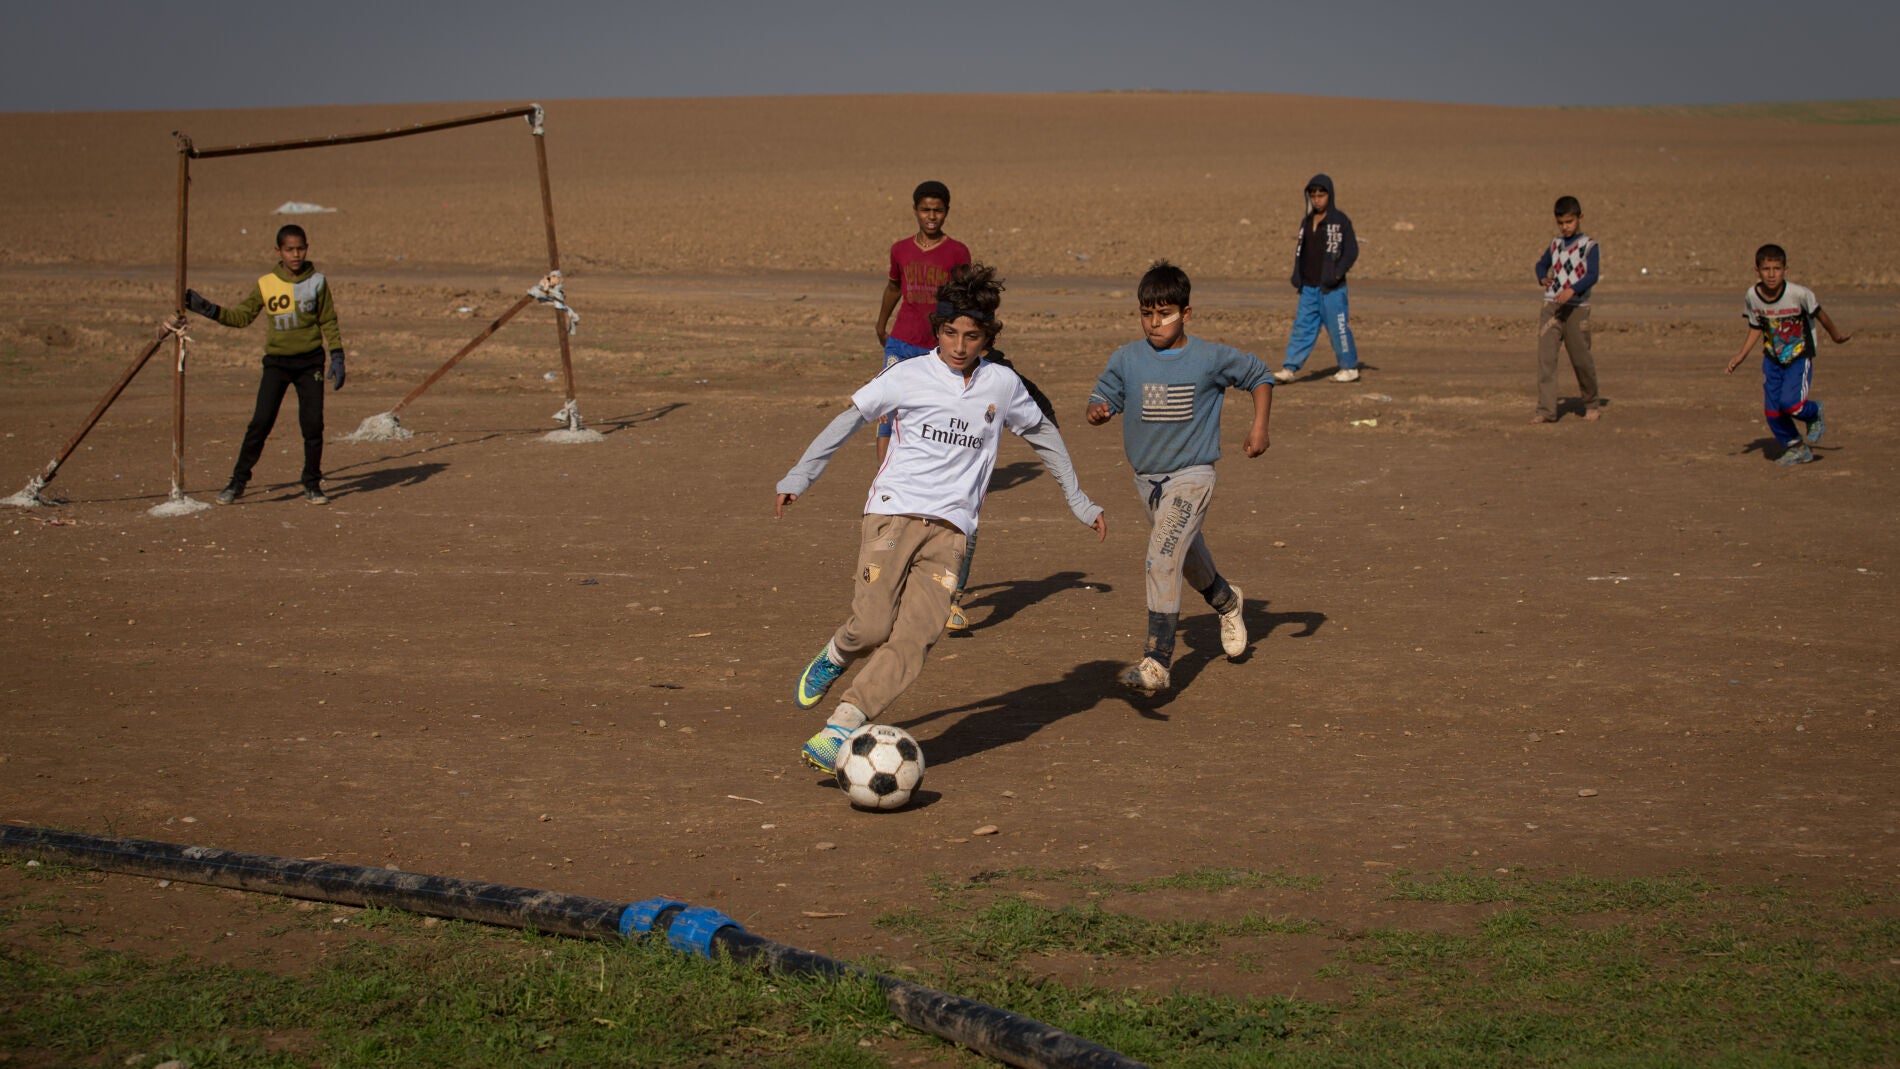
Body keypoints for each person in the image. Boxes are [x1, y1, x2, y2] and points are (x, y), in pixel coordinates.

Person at [778, 264, 1107, 772]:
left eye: (971, 336)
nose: (959, 345)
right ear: (937, 331)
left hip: (952, 532)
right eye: (950, 333)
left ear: (987, 338)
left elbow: (1044, 434)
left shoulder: (1002, 384)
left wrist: (1079, 500)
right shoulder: (907, 375)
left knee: (915, 639)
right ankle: (838, 655)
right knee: (871, 627)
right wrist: (800, 477)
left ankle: (842, 722)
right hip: (893, 515)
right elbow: (847, 420)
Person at [1087, 260, 1271, 697]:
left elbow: (1259, 375)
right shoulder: (1127, 359)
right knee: (1185, 560)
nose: (1155, 323)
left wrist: (1259, 426)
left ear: (1186, 313)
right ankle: (1228, 601)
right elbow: (1102, 396)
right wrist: (1098, 411)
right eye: (1147, 314)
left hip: (1193, 475)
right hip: (1147, 481)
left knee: (1161, 556)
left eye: (1165, 313)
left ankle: (1157, 659)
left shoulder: (1209, 357)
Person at [182, 224, 345, 505]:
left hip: (310, 363)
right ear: (278, 251)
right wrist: (208, 309)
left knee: (313, 425)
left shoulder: (318, 281)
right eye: (289, 249)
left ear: (307, 248)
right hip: (277, 364)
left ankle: (312, 483)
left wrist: (338, 354)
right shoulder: (266, 284)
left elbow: (328, 319)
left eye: (301, 248)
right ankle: (238, 481)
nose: (296, 254)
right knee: (260, 423)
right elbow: (241, 317)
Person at [944, 346, 1060, 632]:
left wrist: (1049, 431)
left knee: (966, 532)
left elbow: (1037, 398)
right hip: (927, 467)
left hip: (966, 478)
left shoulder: (999, 371)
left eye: (973, 336)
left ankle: (950, 600)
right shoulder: (936, 361)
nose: (961, 346)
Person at [1724, 244, 1852, 466]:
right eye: (1766, 269)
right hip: (1772, 360)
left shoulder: (1799, 294)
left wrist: (1836, 335)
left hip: (1799, 357)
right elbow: (1756, 326)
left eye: (1777, 268)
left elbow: (1821, 316)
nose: (1771, 274)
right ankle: (1796, 447)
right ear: (1757, 271)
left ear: (1785, 269)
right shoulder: (1752, 296)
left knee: (1791, 404)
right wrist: (1741, 355)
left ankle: (1813, 412)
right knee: (1772, 411)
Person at [873, 180, 971, 465]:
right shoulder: (900, 249)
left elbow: (966, 298)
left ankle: (932, 469)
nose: (931, 216)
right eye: (925, 209)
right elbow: (893, 287)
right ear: (915, 210)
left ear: (946, 212)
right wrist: (881, 324)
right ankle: (885, 477)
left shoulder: (957, 252)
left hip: (936, 347)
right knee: (888, 407)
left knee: (935, 410)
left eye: (937, 210)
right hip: (901, 342)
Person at [1276, 174, 1361, 384]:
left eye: (1321, 195)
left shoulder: (1339, 221)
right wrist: (1298, 276)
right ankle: (1289, 368)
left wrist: (1337, 273)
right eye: (1313, 195)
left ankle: (1349, 367)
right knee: (1303, 327)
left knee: (1338, 328)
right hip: (1309, 287)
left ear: (1329, 196)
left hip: (1332, 289)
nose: (1317, 199)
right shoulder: (1306, 222)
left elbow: (1351, 251)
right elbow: (1301, 251)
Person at [1531, 195, 1601, 423]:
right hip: (1551, 307)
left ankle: (1591, 403)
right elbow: (1541, 264)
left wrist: (1573, 290)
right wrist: (1542, 277)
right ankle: (1546, 411)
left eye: (1569, 222)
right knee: (1546, 359)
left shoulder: (1589, 246)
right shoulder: (1555, 245)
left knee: (1581, 359)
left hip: (1577, 308)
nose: (1565, 227)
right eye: (1561, 223)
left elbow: (1592, 275)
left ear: (1580, 218)